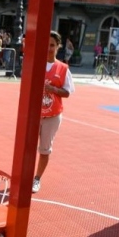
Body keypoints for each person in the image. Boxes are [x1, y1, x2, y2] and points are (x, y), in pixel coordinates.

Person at [32, 31, 75, 194]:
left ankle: (37, 178)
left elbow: (68, 92)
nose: (48, 48)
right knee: (28, 148)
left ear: (58, 47)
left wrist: (55, 89)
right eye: (46, 44)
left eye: (52, 45)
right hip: (34, 114)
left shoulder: (63, 68)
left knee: (44, 149)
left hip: (52, 116)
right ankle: (25, 175)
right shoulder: (36, 64)